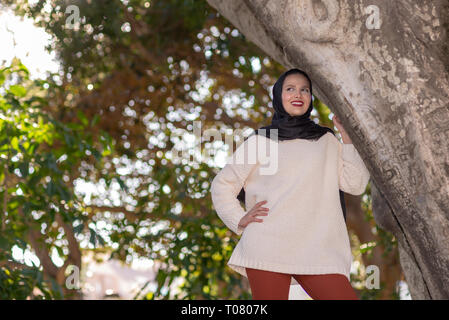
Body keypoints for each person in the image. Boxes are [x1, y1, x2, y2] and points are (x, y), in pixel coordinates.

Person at [210, 68, 370, 300]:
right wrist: (238, 218)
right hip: (267, 245)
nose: (298, 94)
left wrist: (347, 138)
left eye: (305, 89)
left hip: (320, 248)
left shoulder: (326, 139)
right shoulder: (261, 140)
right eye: (290, 89)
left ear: (311, 98)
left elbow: (355, 185)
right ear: (278, 96)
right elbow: (222, 185)